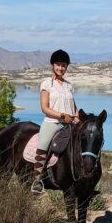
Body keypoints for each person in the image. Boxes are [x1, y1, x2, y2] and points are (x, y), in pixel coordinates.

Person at [31, 49, 79, 193]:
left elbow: (74, 106)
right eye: (58, 65)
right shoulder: (46, 84)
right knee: (43, 145)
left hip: (69, 123)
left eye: (63, 65)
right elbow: (44, 108)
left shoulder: (69, 85)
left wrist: (77, 117)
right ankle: (37, 180)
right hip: (52, 123)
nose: (60, 68)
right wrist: (61, 116)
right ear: (52, 65)